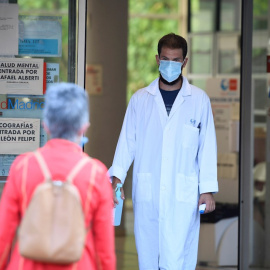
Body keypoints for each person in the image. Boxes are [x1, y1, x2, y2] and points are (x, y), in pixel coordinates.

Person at [109, 33, 218, 269]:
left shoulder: (199, 100)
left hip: (183, 195)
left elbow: (207, 147)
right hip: (148, 193)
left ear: (185, 62)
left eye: (176, 60)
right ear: (158, 59)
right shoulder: (140, 100)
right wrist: (116, 180)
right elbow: (127, 142)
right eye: (166, 59)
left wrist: (207, 190)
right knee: (148, 257)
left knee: (178, 258)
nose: (170, 65)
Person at [0, 83, 116, 270]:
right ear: (84, 126)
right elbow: (105, 250)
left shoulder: (22, 167)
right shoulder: (96, 173)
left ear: (46, 125)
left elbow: (3, 236)